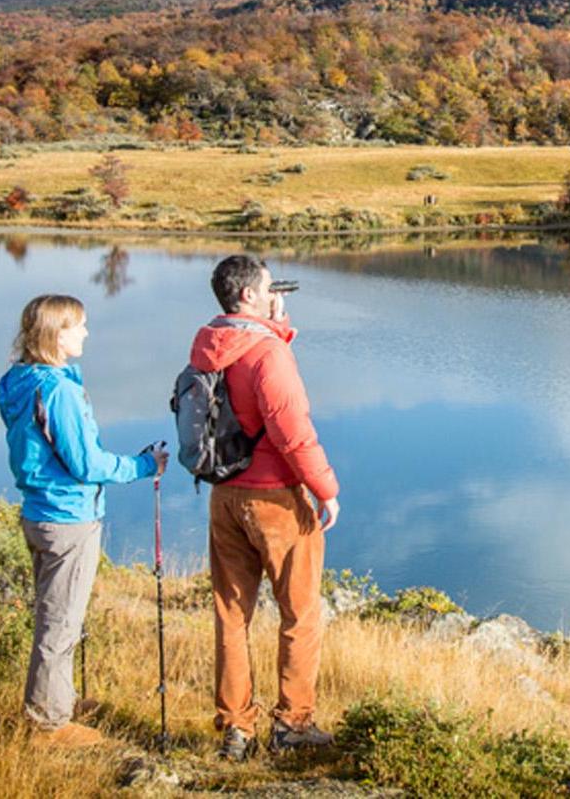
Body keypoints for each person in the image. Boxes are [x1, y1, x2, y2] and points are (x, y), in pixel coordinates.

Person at [0, 294, 168, 748]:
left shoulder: (18, 380)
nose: (87, 334)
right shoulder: (58, 390)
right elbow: (87, 464)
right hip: (68, 517)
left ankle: (59, 697)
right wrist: (145, 465)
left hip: (39, 512)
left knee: (56, 613)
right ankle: (48, 724)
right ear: (57, 333)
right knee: (61, 622)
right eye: (80, 326)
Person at [191, 254, 340, 761]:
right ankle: (292, 724)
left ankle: (236, 728)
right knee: (299, 613)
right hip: (274, 496)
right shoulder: (267, 354)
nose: (277, 292)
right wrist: (325, 489)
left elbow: (237, 399)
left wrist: (277, 328)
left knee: (231, 615)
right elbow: (291, 429)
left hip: (224, 495)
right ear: (250, 295)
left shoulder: (210, 343)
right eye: (269, 287)